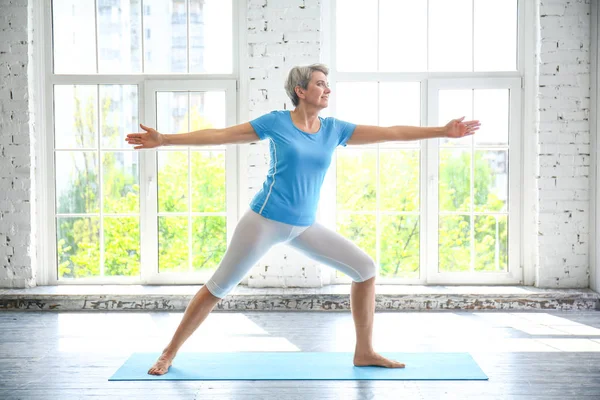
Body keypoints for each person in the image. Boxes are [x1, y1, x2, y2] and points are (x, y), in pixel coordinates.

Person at [126, 64, 480, 375]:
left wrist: (441, 132)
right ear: (301, 90)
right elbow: (221, 136)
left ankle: (365, 351)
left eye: (327, 84)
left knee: (365, 269)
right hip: (264, 221)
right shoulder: (276, 123)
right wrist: (166, 139)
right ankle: (169, 352)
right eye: (321, 83)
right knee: (218, 287)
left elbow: (391, 131)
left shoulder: (334, 129)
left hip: (304, 225)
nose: (327, 89)